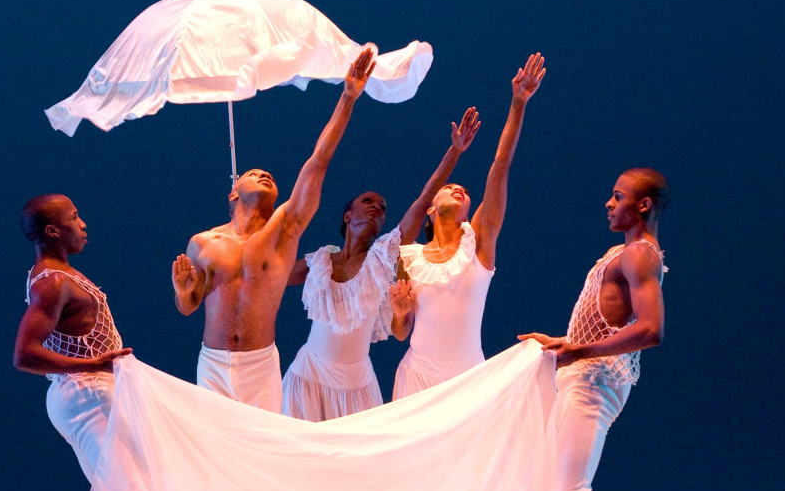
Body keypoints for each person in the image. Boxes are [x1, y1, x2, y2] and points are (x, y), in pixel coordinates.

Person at [172, 49, 376, 412]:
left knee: (260, 457)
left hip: (259, 365)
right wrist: (184, 293)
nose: (265, 175)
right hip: (213, 363)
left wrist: (347, 98)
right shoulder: (202, 243)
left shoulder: (284, 231)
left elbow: (318, 161)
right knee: (215, 457)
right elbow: (188, 308)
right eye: (254, 173)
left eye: (270, 176)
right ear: (234, 191)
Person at [518, 168, 671, 491]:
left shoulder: (640, 255)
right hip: (584, 373)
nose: (609, 202)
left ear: (642, 206)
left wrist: (579, 351)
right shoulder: (619, 253)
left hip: (594, 380)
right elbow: (602, 323)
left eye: (618, 196)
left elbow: (650, 330)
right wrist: (565, 340)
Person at [280, 108, 482, 420]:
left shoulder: (382, 260)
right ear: (348, 215)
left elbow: (425, 198)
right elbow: (270, 276)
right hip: (307, 377)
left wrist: (455, 150)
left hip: (357, 387)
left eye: (383, 207)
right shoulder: (320, 261)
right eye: (368, 202)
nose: (377, 208)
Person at [389, 53, 545, 399]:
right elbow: (401, 331)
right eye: (450, 188)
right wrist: (400, 314)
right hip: (417, 379)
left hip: (468, 380)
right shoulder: (409, 257)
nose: (459, 189)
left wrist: (518, 103)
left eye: (465, 192)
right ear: (431, 209)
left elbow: (500, 166)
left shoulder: (479, 244)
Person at [12, 194, 132, 491]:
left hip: (97, 392)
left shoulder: (64, 275)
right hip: (82, 397)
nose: (84, 224)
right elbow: (25, 355)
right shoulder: (50, 282)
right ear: (52, 231)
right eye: (74, 218)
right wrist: (92, 366)